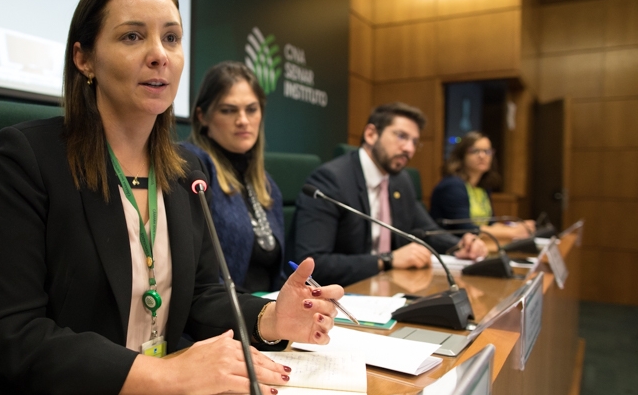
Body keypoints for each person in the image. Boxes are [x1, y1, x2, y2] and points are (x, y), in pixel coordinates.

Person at [0, 0, 341, 395]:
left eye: (171, 38)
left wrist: (271, 319)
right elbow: (12, 332)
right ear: (84, 59)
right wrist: (166, 375)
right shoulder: (28, 157)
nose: (159, 55)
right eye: (132, 36)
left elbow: (202, 295)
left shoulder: (185, 170)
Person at [288, 102, 488, 287]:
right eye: (401, 136)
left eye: (414, 142)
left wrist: (460, 246)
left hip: (388, 287)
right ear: (371, 134)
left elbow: (426, 231)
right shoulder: (331, 180)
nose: (409, 149)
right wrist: (387, 260)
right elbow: (312, 263)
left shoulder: (400, 181)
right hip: (341, 292)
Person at [182, 62, 284, 292]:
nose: (243, 120)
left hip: (270, 308)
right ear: (202, 116)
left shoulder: (267, 184)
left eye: (252, 109)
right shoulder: (194, 167)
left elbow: (276, 274)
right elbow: (200, 278)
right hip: (226, 311)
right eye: (228, 110)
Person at [429, 131, 534, 241]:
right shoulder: (452, 186)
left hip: (478, 244)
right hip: (452, 246)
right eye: (475, 151)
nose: (482, 156)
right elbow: (466, 229)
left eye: (487, 151)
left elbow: (491, 224)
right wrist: (511, 232)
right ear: (462, 155)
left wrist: (517, 228)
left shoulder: (482, 187)